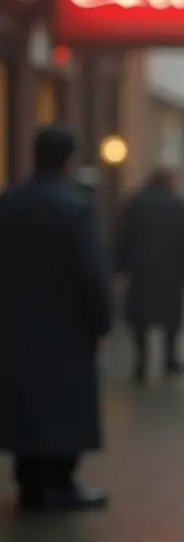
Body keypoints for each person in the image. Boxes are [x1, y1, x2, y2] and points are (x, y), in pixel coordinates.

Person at [0, 125, 112, 510]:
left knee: (25, 401)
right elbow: (91, 273)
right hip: (66, 327)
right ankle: (61, 483)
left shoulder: (9, 203)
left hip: (15, 324)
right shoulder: (74, 209)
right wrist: (101, 321)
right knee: (63, 404)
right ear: (68, 159)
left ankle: (29, 480)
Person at [114, 167, 184, 383]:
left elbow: (123, 237)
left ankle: (141, 363)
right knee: (171, 320)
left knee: (140, 320)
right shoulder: (178, 205)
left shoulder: (136, 204)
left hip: (141, 271)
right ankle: (169, 359)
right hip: (171, 273)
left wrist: (120, 268)